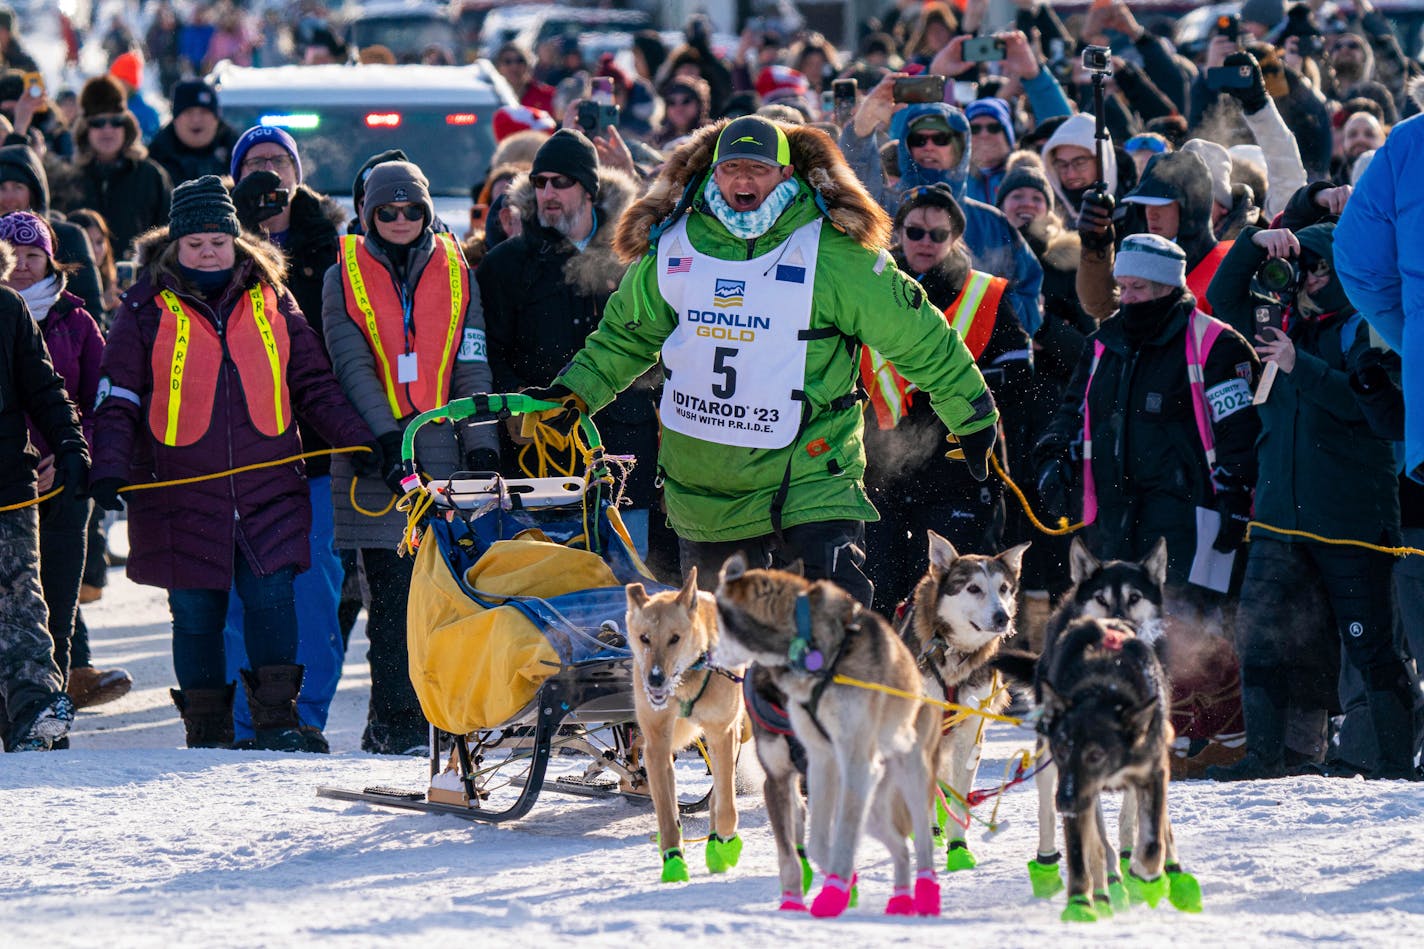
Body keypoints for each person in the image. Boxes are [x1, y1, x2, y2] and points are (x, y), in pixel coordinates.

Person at [542, 116, 999, 609]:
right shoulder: (673, 246)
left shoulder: (832, 250)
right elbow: (623, 339)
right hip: (706, 492)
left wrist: (971, 414)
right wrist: (573, 395)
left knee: (828, 641)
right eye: (731, 168)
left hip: (810, 482)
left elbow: (920, 336)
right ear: (712, 175)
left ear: (786, 175)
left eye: (758, 169)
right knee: (725, 663)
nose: (743, 181)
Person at [90, 177, 376, 751]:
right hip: (177, 491)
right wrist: (108, 468)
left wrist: (362, 440)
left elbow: (313, 383)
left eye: (217, 241)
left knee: (273, 601)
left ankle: (275, 725)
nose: (207, 253)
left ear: (235, 240)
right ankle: (208, 731)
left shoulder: (272, 296)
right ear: (175, 245)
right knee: (197, 613)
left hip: (268, 483)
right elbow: (118, 392)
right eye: (194, 243)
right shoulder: (144, 306)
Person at [1037, 233, 1261, 775]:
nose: (1127, 298)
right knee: (1124, 627)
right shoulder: (1105, 342)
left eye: (1138, 288)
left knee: (1186, 626)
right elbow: (1074, 407)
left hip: (1187, 511)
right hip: (1114, 510)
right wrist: (1052, 454)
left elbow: (1239, 432)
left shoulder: (1214, 343)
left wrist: (1237, 495)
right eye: (1122, 287)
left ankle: (1209, 735)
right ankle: (1140, 729)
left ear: (1167, 286)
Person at [1206, 213, 1416, 781]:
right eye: (1302, 269)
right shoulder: (1277, 325)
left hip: (1352, 520)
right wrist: (1255, 244)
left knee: (1371, 647)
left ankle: (1397, 762)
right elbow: (1221, 294)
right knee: (1260, 640)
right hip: (1278, 520)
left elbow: (1379, 415)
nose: (1306, 281)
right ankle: (1264, 757)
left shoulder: (1371, 329)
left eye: (1319, 270)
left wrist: (1303, 368)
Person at [321, 160, 498, 756]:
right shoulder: (341, 273)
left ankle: (449, 719)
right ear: (368, 213)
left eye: (411, 210)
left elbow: (471, 360)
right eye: (387, 211)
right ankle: (394, 723)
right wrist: (386, 443)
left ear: (426, 212)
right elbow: (351, 365)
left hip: (446, 457)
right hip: (376, 463)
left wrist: (481, 443)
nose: (400, 220)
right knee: (392, 603)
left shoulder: (456, 268)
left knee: (452, 596)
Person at [222, 124, 347, 752]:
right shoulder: (215, 242)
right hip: (234, 454)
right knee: (240, 599)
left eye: (278, 161)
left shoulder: (333, 245)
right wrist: (242, 238)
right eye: (255, 163)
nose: (267, 174)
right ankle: (243, 722)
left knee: (313, 595)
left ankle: (307, 716)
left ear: (298, 174)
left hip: (316, 453)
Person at [475, 130, 658, 553]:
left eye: (561, 182)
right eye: (540, 182)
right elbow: (489, 352)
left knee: (625, 590)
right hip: (537, 454)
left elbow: (663, 343)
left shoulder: (634, 255)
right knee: (547, 592)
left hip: (624, 449)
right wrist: (513, 407)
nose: (548, 192)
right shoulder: (506, 263)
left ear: (590, 189)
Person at [861, 183, 1030, 613]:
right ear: (898, 233)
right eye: (915, 232)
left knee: (948, 601)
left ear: (955, 238)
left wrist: (960, 387)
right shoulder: (872, 283)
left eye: (938, 235)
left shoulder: (984, 292)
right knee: (878, 593)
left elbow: (1019, 370)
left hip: (958, 468)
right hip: (882, 469)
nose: (925, 243)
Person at [0, 211, 102, 718]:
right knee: (14, 608)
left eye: (32, 255)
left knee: (53, 609)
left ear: (50, 259)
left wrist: (72, 454)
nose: (21, 265)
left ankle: (49, 717)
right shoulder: (7, 310)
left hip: (60, 483)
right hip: (12, 476)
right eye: (12, 254)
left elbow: (90, 399)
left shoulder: (76, 321)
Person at [841, 85, 1045, 335]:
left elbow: (1028, 293)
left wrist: (990, 325)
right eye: (918, 139)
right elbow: (854, 175)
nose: (928, 147)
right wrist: (865, 119)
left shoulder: (991, 222)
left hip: (975, 358)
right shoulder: (883, 209)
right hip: (893, 357)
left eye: (940, 139)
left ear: (960, 146)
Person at [64, 76, 172, 261]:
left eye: (116, 122)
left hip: (139, 282)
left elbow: (168, 233)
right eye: (97, 123)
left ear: (127, 126)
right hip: (81, 283)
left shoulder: (150, 175)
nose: (107, 130)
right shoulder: (68, 177)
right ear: (85, 129)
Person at [0, 144, 106, 317]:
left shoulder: (68, 235)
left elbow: (91, 305)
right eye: (1, 188)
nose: (8, 197)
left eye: (18, 187)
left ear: (34, 192)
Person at [147, 79, 239, 187]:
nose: (196, 119)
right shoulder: (153, 162)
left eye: (204, 112)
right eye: (188, 112)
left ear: (216, 119)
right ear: (175, 119)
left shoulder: (239, 156)